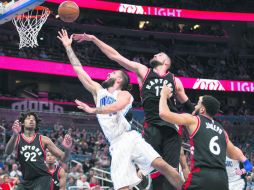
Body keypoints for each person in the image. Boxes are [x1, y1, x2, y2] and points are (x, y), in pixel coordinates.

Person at [57, 29, 183, 190]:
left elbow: (118, 106)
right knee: (125, 186)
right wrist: (68, 47)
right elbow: (78, 69)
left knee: (163, 166)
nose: (108, 73)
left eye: (112, 73)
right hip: (116, 144)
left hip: (128, 137)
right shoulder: (98, 92)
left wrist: (93, 110)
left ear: (119, 79)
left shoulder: (124, 94)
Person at [158, 84, 253, 190]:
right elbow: (235, 155)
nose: (194, 106)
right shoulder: (222, 131)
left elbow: (163, 114)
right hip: (222, 180)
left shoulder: (194, 120)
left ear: (202, 110)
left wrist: (163, 95)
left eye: (198, 104)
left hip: (202, 176)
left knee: (164, 167)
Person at [5, 112, 72, 190]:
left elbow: (63, 158)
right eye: (28, 118)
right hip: (27, 180)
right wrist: (15, 134)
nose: (31, 121)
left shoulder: (43, 139)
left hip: (42, 178)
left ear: (36, 124)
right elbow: (8, 152)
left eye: (33, 119)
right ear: (22, 123)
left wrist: (67, 149)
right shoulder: (17, 138)